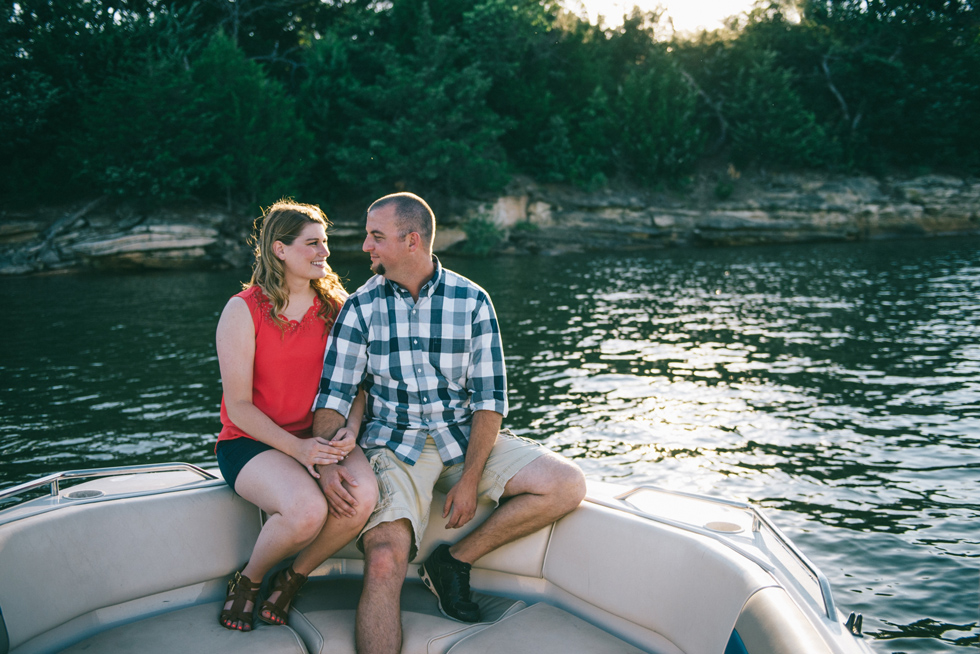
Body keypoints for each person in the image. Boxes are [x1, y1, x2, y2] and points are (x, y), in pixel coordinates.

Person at [311, 192, 587, 654]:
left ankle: (454, 561)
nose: (365, 246)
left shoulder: (472, 300)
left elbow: (489, 402)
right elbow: (332, 401)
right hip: (392, 446)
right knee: (384, 559)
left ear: (412, 241)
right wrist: (325, 464)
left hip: (464, 438)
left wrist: (471, 478)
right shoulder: (359, 308)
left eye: (376, 236)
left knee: (566, 484)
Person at [214, 200, 378, 632]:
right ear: (280, 249)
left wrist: (351, 428)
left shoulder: (338, 307)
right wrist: (301, 450)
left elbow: (357, 384)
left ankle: (292, 577)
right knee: (306, 511)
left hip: (321, 436)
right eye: (312, 243)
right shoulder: (243, 310)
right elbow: (238, 407)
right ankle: (248, 581)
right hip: (250, 442)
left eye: (324, 242)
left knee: (361, 499)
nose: (325, 251)